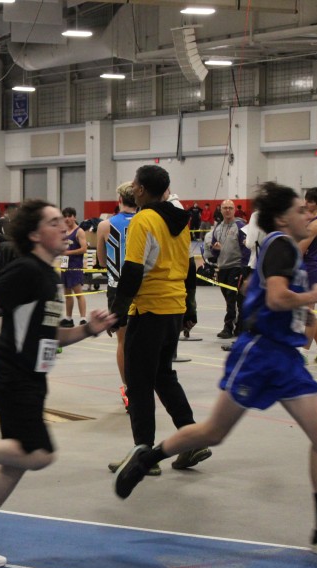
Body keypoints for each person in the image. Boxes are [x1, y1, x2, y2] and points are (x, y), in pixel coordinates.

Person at [113, 182, 317, 554]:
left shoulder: (279, 247)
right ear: (282, 218)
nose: (308, 215)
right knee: (213, 433)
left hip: (284, 357)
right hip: (260, 355)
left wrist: (292, 317)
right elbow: (277, 296)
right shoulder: (282, 245)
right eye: (300, 210)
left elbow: (255, 287)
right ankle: (147, 459)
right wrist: (312, 296)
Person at [0, 199, 116, 567]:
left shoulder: (48, 276)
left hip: (32, 376)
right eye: (54, 222)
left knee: (15, 463)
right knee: (40, 454)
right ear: (35, 235)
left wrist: (89, 329)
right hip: (12, 374)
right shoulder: (27, 269)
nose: (64, 227)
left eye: (63, 221)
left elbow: (49, 336)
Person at [107, 165, 210, 475]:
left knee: (138, 382)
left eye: (135, 184)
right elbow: (189, 268)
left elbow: (133, 269)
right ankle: (192, 440)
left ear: (140, 189)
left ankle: (143, 455)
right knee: (162, 375)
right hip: (174, 308)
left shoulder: (144, 219)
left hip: (149, 309)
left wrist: (117, 312)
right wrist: (190, 309)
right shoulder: (181, 221)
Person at [95, 181, 137, 412]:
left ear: (119, 200)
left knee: (123, 341)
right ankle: (143, 386)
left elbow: (102, 261)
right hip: (143, 286)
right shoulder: (146, 221)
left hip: (117, 288)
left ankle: (129, 389)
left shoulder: (105, 225)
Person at [206, 200, 249, 339]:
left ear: (234, 210)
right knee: (228, 298)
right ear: (221, 210)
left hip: (236, 267)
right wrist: (215, 249)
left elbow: (246, 248)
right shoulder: (218, 228)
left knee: (233, 298)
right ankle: (238, 325)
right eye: (225, 208)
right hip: (222, 267)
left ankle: (229, 327)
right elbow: (213, 250)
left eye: (230, 208)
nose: (227, 210)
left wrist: (244, 269)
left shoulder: (240, 226)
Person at [299, 188, 317, 363]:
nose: (306, 203)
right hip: (306, 267)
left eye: (310, 201)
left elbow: (300, 249)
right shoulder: (309, 221)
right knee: (309, 312)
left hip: (310, 269)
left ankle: (304, 353)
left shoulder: (316, 224)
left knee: (308, 313)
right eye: (306, 199)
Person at [59, 206, 87, 327]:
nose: (67, 219)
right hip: (64, 265)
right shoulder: (63, 231)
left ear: (74, 217)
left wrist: (68, 252)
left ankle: (83, 319)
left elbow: (84, 249)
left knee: (78, 293)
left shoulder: (79, 231)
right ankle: (69, 318)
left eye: (69, 216)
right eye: (65, 216)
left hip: (75, 266)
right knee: (67, 294)